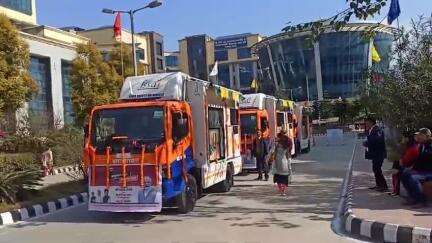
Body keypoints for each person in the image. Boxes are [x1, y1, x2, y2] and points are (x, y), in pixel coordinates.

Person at [400, 128, 432, 208]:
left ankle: (422, 200)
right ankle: (413, 197)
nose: (419, 137)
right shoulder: (421, 145)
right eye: (419, 135)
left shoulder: (430, 145)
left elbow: (426, 158)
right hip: (423, 170)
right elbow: (418, 160)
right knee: (404, 174)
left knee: (413, 178)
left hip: (429, 171)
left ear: (427, 136)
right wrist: (413, 167)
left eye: (421, 135)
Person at [363, 117, 388, 192]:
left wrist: (366, 143)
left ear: (371, 122)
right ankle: (379, 185)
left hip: (379, 153)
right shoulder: (372, 130)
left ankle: (383, 186)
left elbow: (378, 140)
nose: (366, 124)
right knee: (375, 169)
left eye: (367, 122)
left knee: (377, 169)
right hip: (375, 153)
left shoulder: (377, 129)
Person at [390, 132, 419, 196]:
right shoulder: (402, 144)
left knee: (397, 175)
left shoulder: (410, 145)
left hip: (402, 162)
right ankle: (395, 190)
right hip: (397, 161)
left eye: (404, 137)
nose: (403, 139)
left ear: (407, 138)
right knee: (394, 175)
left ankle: (396, 191)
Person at [271, 130, 293, 196]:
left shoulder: (278, 143)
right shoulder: (287, 141)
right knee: (284, 177)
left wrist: (272, 159)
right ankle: (283, 190)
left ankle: (282, 190)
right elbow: (289, 152)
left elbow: (273, 152)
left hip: (279, 162)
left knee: (279, 178)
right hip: (284, 162)